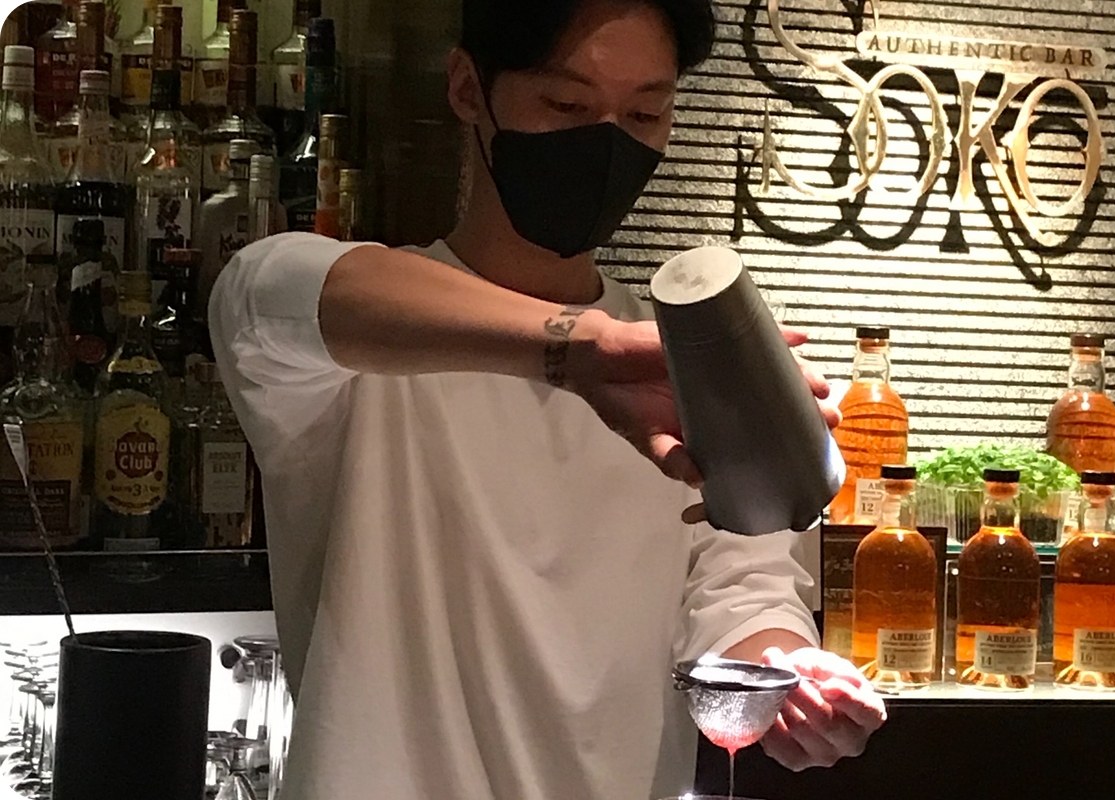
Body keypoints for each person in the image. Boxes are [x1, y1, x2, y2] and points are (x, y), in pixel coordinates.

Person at [209, 1, 887, 798]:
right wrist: (578, 349)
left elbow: (746, 588)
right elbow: (264, 291)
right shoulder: (358, 354)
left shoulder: (681, 370)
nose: (607, 143)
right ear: (468, 88)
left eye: (646, 113)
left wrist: (789, 675)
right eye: (566, 104)